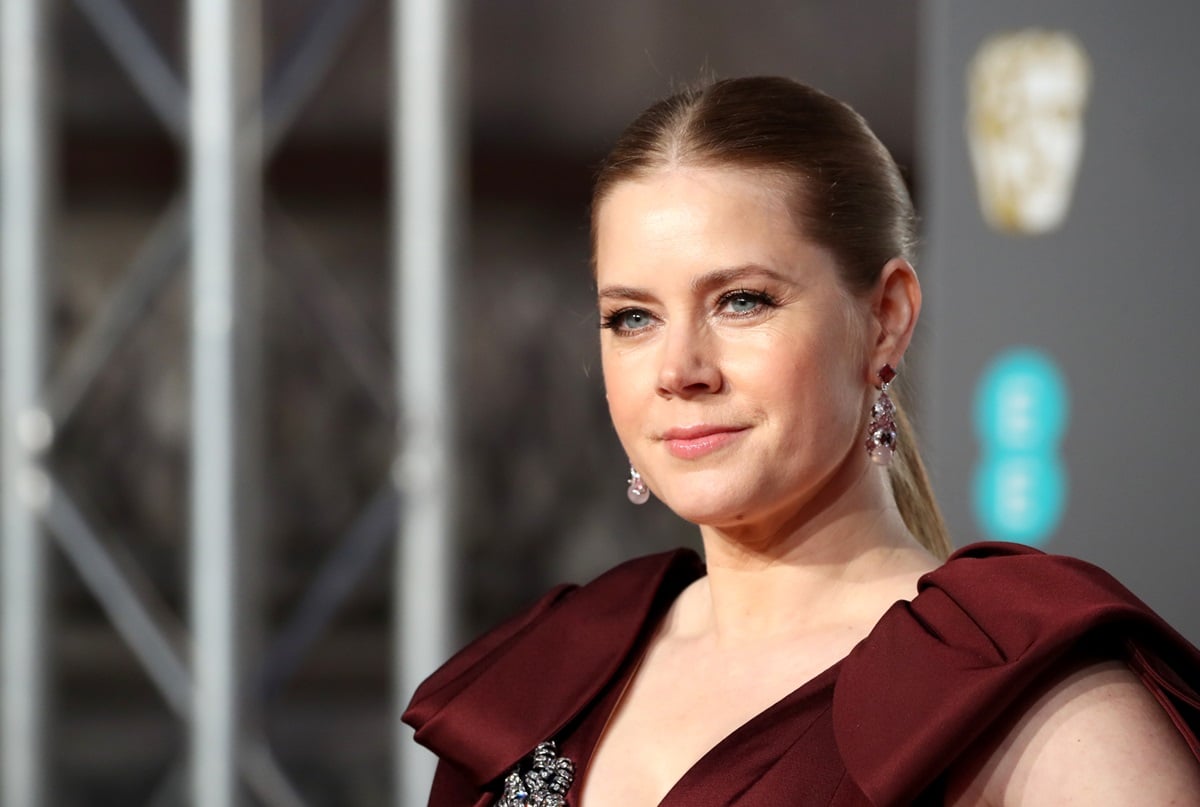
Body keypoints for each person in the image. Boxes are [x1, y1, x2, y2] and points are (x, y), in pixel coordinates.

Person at [404, 76, 1200, 805]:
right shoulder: (543, 682)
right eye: (633, 317)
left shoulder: (1024, 696)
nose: (680, 369)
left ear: (886, 317)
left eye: (742, 301)